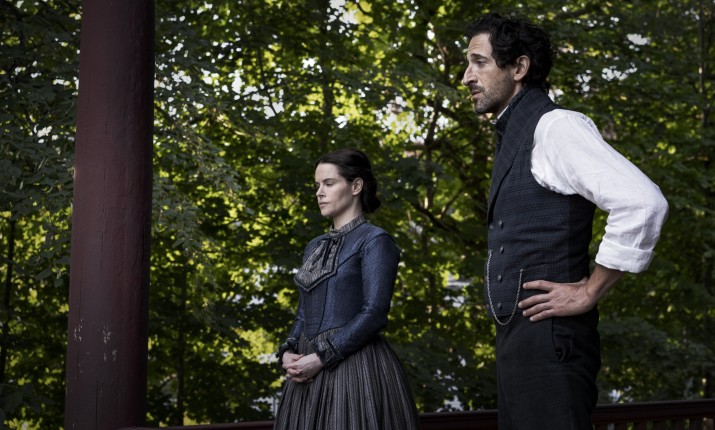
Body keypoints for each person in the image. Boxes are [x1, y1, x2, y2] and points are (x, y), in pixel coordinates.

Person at [461, 12, 669, 430]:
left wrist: (590, 291)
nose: (467, 76)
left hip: (551, 340)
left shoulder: (556, 126)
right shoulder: (515, 132)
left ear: (519, 67)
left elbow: (643, 203)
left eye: (479, 62)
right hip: (523, 341)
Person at [273, 148, 419, 430]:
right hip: (305, 371)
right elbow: (303, 313)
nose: (319, 193)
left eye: (329, 183)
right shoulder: (314, 246)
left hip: (356, 369)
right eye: (317, 185)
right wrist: (288, 351)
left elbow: (375, 312)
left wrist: (322, 357)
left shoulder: (375, 240)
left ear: (356, 186)